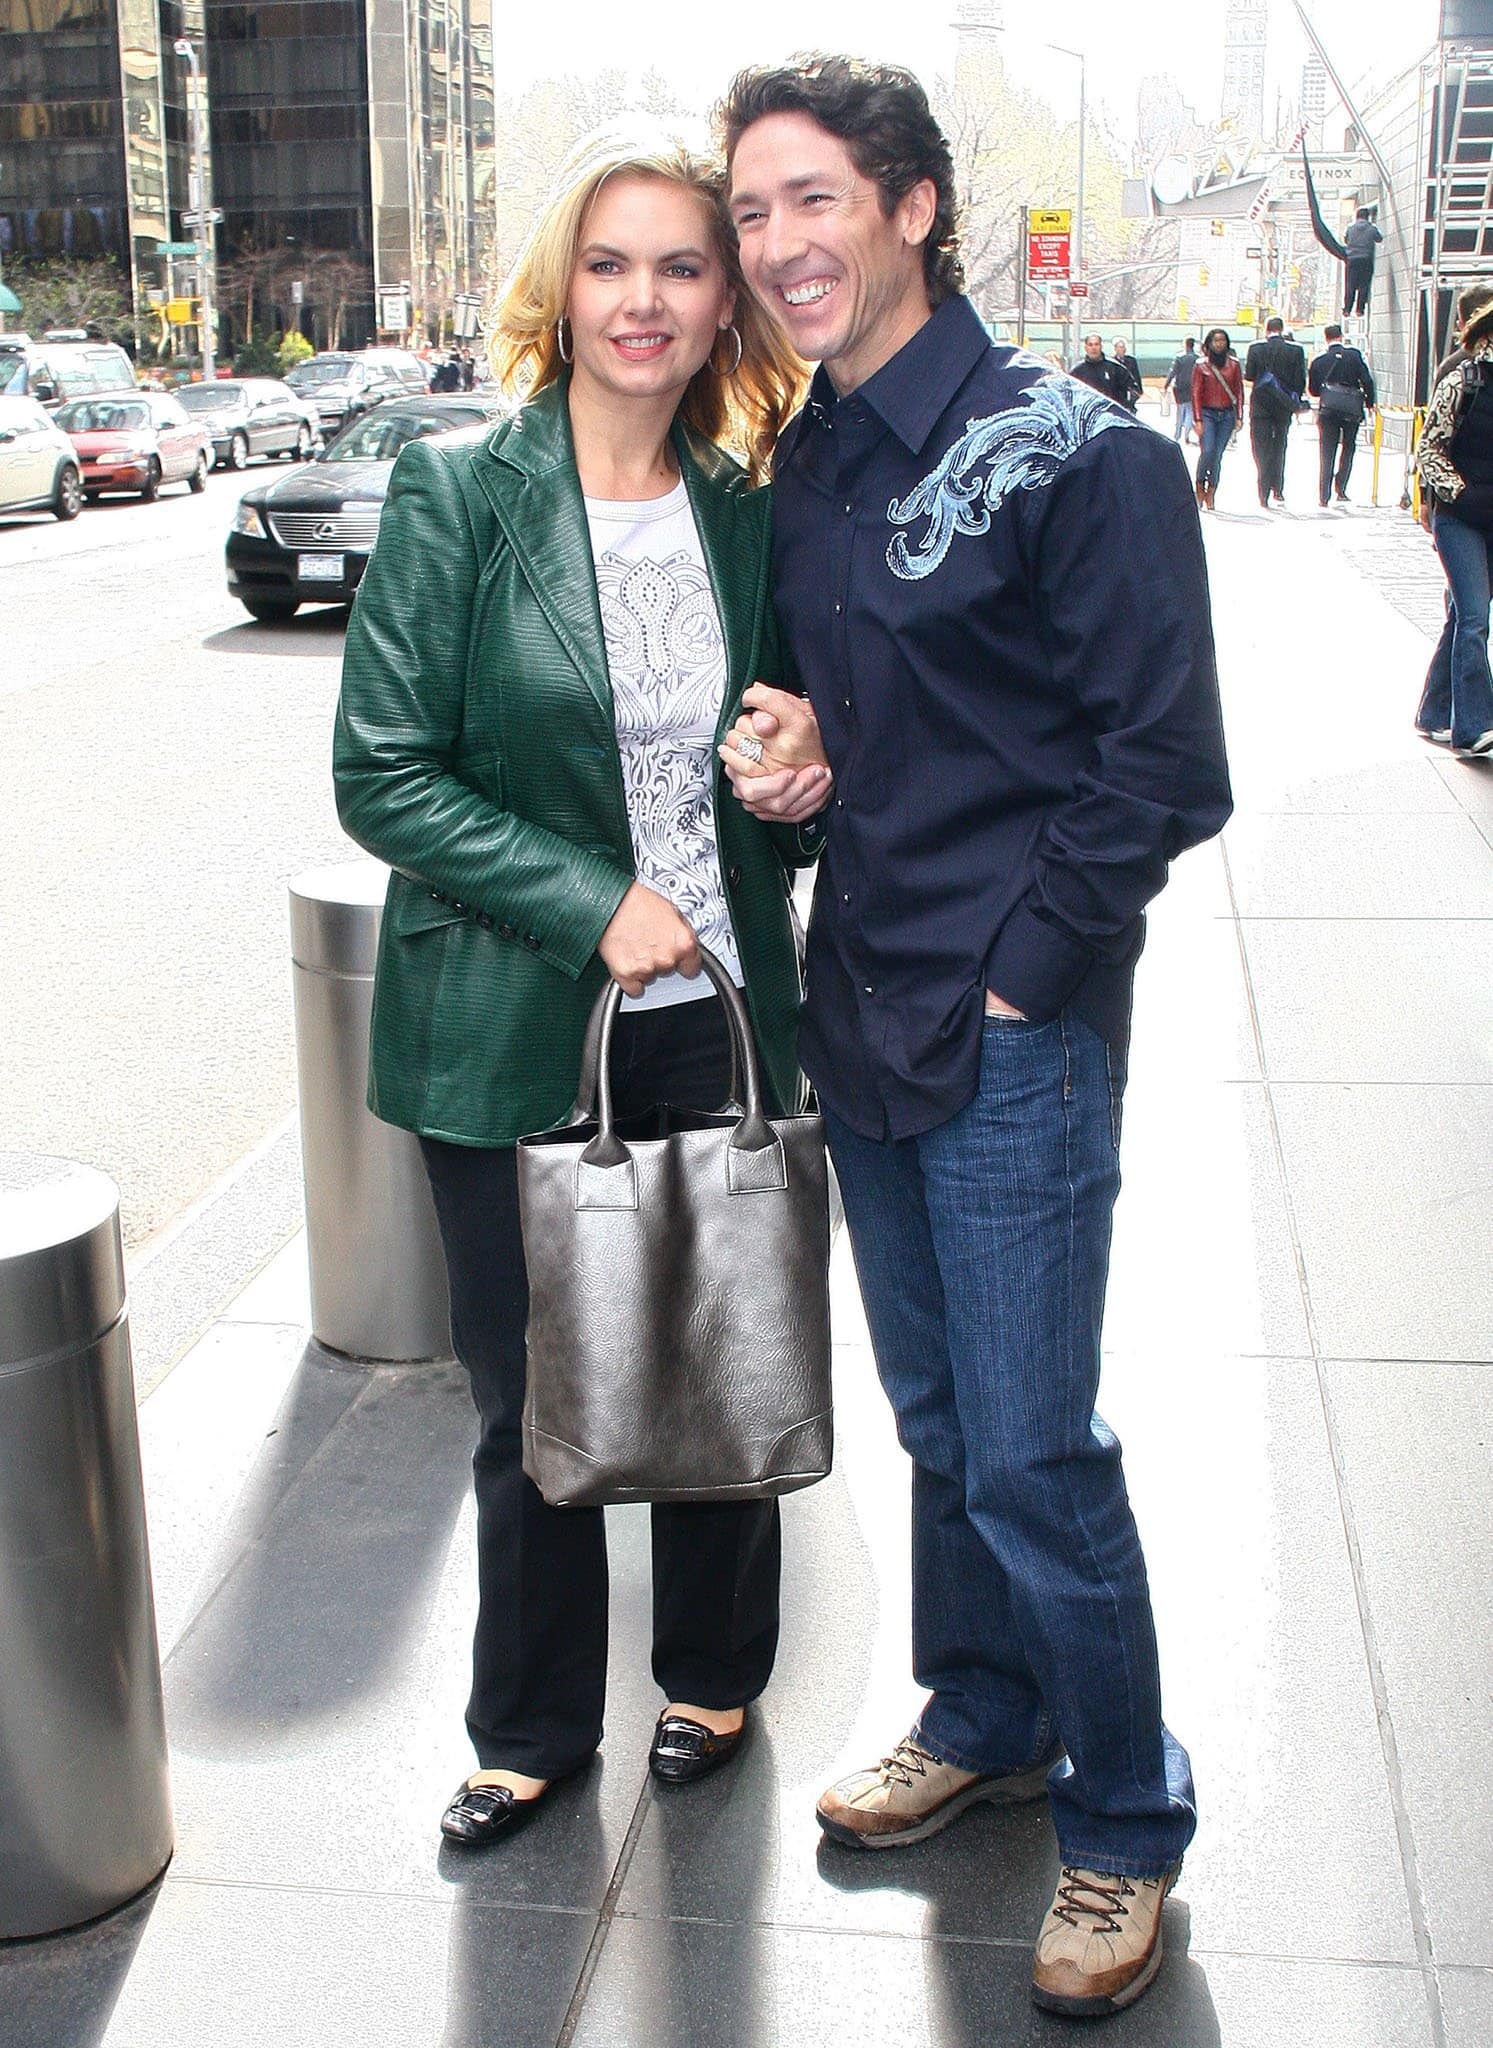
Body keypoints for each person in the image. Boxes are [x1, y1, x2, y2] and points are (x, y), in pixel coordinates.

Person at [717, 54, 1231, 2021]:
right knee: (937, 1431)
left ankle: (1118, 1823)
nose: (776, 247)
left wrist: (1029, 967)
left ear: (912, 207)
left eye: (810, 202)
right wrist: (798, 768)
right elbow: (865, 731)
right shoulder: (810, 461)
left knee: (1029, 1448)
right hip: (862, 1008)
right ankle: (985, 1710)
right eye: (751, 212)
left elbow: (1159, 769)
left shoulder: (1074, 450)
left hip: (1009, 1030)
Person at [334, 129, 818, 1852]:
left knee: (712, 1357)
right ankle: (531, 1720)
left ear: (719, 305)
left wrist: (795, 770)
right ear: (564, 288)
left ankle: (712, 1668)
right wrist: (588, 897)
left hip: (724, 1009)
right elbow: (383, 772)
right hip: (512, 1018)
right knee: (528, 1394)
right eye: (610, 264)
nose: (643, 298)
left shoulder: (755, 511)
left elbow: (802, 734)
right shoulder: (459, 493)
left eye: (681, 267)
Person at [1414, 286, 1493, 757]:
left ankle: (1432, 710)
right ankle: (1474, 726)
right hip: (1460, 518)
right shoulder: (1462, 379)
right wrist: (1454, 494)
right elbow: (1429, 447)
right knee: (1475, 619)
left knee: (1463, 616)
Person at [1308, 322, 1376, 506]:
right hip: (1351, 409)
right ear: (1342, 336)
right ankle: (1341, 487)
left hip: (1328, 410)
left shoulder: (1319, 361)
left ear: (1326, 337)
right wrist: (1369, 402)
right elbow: (1367, 380)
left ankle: (1324, 494)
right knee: (1348, 447)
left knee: (1327, 449)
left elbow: (1313, 390)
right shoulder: (1354, 356)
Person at [1243, 315, 1307, 507]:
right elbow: (1300, 381)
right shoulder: (1296, 350)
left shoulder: (1255, 348)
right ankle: (1277, 487)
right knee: (1280, 444)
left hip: (1260, 405)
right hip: (1284, 405)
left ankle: (1262, 490)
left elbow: (1250, 375)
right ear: (1282, 328)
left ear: (1266, 329)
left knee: (1261, 446)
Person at [1191, 326, 1243, 509]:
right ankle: (1199, 484)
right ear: (1209, 344)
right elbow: (1196, 393)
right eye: (1216, 341)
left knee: (1218, 455)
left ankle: (1212, 490)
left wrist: (1239, 416)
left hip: (1227, 414)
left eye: (1223, 341)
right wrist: (1197, 419)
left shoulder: (1234, 365)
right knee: (1208, 450)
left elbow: (1239, 391)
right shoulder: (1200, 365)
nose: (1219, 344)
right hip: (1207, 413)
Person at [1068, 331, 1134, 406]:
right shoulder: (1077, 371)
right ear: (1085, 347)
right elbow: (1068, 393)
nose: (1093, 348)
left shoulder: (1115, 367)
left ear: (1101, 346)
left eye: (1096, 344)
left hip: (1111, 413)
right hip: (1087, 413)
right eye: (1090, 345)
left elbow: (1133, 389)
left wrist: (1126, 406)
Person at [1343, 207, 1382, 317]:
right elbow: (1379, 239)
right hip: (1366, 259)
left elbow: (1346, 240)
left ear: (1357, 216)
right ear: (1367, 217)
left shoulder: (1350, 229)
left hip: (1352, 259)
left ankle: (1347, 309)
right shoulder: (1372, 228)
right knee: (1364, 285)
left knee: (1350, 285)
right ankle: (1360, 309)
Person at [1164, 337, 1197, 443]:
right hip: (1193, 387)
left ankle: (1177, 433)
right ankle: (1187, 433)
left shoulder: (1179, 357)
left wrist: (1166, 385)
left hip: (1180, 387)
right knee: (1190, 411)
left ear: (1185, 344)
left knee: (1180, 410)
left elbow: (1172, 372)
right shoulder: (1197, 358)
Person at [1111, 337, 1142, 412]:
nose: (1123, 349)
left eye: (1123, 347)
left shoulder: (1131, 360)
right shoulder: (1111, 361)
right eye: (1120, 347)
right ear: (1115, 349)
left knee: (1130, 409)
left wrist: (1139, 390)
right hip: (1118, 391)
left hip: (1131, 390)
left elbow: (1136, 375)